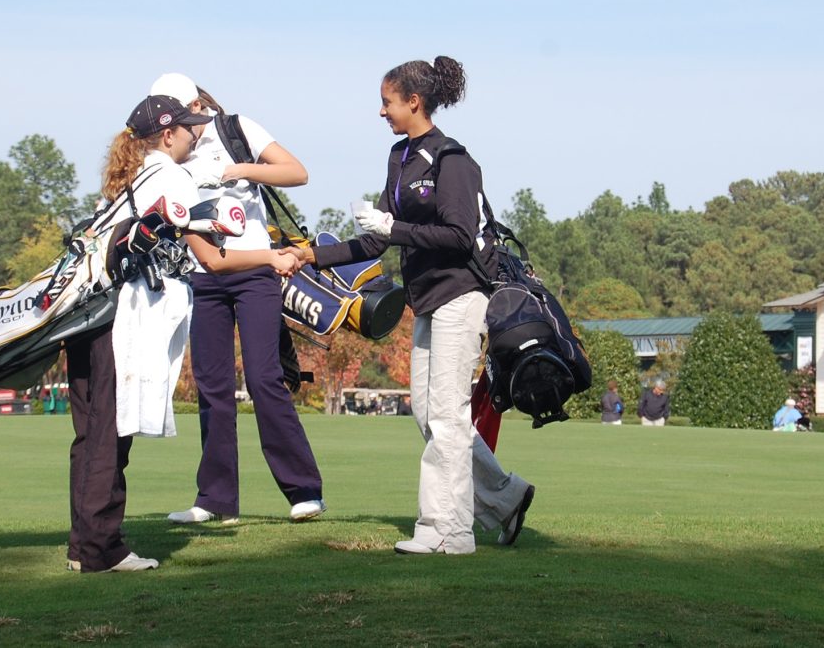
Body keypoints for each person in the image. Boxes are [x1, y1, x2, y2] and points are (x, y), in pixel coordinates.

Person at [283, 56, 535, 555]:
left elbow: (459, 234)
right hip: (426, 301)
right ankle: (506, 497)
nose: (382, 112)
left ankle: (448, 531)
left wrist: (394, 228)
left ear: (413, 102)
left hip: (462, 294)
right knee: (427, 412)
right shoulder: (400, 158)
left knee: (446, 416)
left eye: (387, 102)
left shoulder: (452, 159)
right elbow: (374, 243)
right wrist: (309, 256)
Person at [66, 94, 300, 574]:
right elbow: (212, 258)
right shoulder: (171, 178)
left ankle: (83, 546)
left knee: (90, 435)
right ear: (168, 134)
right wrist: (270, 256)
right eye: (189, 128)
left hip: (82, 314)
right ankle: (101, 550)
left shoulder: (126, 177)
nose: (197, 134)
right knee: (110, 435)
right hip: (118, 319)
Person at [149, 73, 327, 525]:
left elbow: (296, 172)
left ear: (194, 105)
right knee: (212, 385)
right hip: (205, 274)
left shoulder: (235, 129)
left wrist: (238, 170)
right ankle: (215, 500)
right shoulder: (171, 151)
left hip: (255, 271)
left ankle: (304, 490)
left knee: (265, 378)